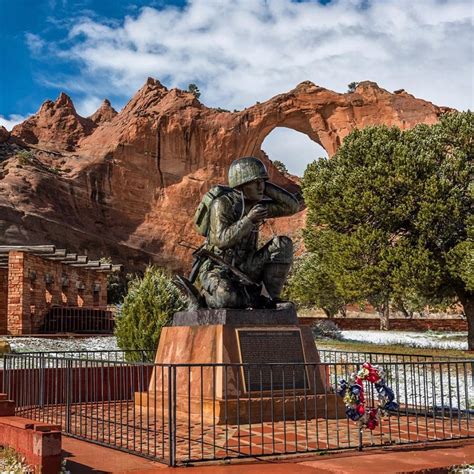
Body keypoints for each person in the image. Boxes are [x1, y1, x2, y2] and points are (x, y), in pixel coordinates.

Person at [197, 156, 300, 308]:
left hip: (248, 265)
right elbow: (221, 240)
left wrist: (264, 184)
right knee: (226, 298)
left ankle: (272, 300)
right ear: (242, 184)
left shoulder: (256, 205)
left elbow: (292, 207)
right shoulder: (223, 204)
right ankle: (209, 298)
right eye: (256, 183)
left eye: (262, 182)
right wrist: (249, 220)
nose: (261, 187)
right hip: (219, 267)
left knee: (282, 244)